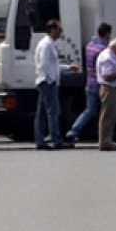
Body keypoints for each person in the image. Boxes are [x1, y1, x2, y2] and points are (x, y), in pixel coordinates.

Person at [34, 19, 79, 150]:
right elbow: (45, 64)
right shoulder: (47, 44)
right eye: (59, 29)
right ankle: (56, 140)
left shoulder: (49, 43)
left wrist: (69, 67)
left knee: (42, 112)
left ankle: (41, 140)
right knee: (53, 111)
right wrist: (51, 79)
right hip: (47, 82)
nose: (61, 32)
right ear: (52, 30)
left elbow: (54, 65)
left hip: (46, 81)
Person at [65, 23, 111, 146]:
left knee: (89, 110)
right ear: (107, 34)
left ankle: (73, 131)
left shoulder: (89, 46)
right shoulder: (103, 49)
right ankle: (104, 135)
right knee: (104, 112)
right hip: (100, 83)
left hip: (89, 82)